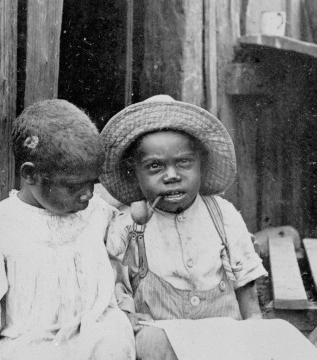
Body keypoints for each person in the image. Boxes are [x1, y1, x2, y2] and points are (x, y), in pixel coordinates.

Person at [0, 99, 135, 360]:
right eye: (74, 186)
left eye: (92, 183)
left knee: (114, 340)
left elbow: (122, 249)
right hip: (32, 341)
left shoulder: (97, 212)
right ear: (30, 175)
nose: (87, 194)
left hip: (92, 333)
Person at [100, 95, 268, 360]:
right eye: (155, 166)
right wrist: (127, 315)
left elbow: (246, 281)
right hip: (164, 337)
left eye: (183, 163)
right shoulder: (128, 225)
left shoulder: (221, 214)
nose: (171, 176)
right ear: (135, 172)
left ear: (201, 163)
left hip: (222, 337)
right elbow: (114, 287)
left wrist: (254, 326)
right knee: (146, 342)